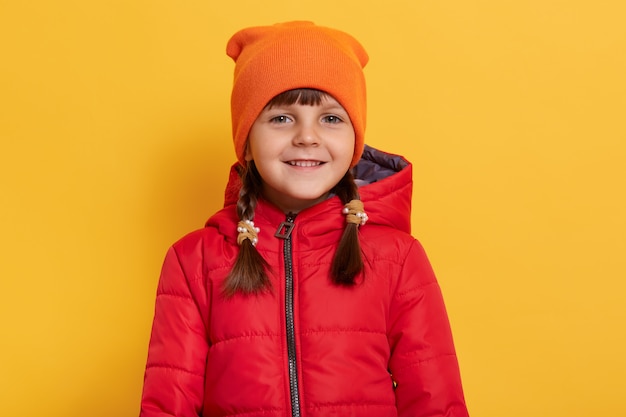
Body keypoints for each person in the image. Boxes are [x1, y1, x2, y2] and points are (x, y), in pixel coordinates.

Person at [139, 21, 469, 417]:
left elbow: (436, 403)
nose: (307, 137)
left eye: (330, 118)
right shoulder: (193, 261)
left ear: (354, 141)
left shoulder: (398, 259)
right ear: (246, 142)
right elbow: (167, 405)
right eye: (281, 118)